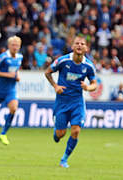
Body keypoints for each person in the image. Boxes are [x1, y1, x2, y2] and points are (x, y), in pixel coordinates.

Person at [44, 36, 97, 168]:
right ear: (72, 47)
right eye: (77, 43)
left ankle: (64, 159)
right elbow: (47, 72)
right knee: (60, 135)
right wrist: (55, 86)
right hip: (62, 102)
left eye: (82, 44)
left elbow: (94, 84)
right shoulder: (63, 61)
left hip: (77, 103)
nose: (79, 45)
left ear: (86, 48)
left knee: (76, 131)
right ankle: (57, 133)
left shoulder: (89, 66)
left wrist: (88, 87)